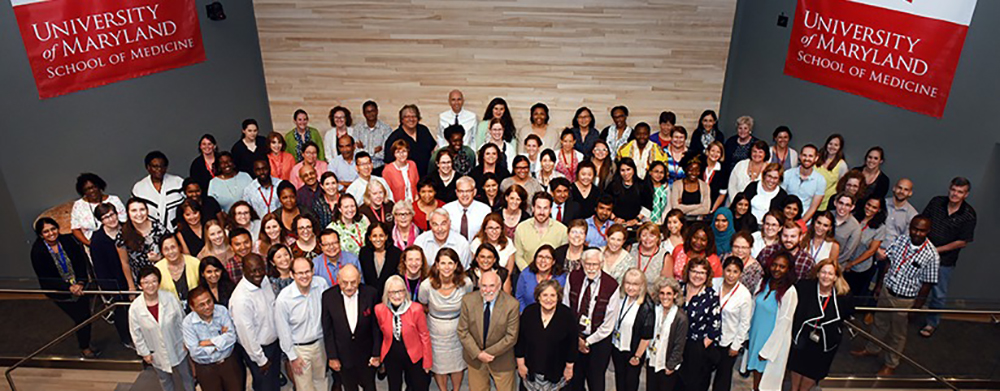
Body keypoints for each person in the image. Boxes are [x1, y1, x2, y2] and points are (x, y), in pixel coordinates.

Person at [850, 215, 938, 376]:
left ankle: (891, 363)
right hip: (886, 290)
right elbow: (888, 262)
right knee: (879, 323)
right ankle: (872, 348)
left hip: (904, 299)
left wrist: (916, 308)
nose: (917, 233)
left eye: (922, 230)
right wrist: (879, 285)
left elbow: (927, 284)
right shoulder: (902, 240)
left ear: (928, 231)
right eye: (914, 228)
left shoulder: (931, 255)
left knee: (897, 334)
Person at [31, 218, 98, 358]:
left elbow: (81, 263)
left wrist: (80, 283)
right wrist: (69, 287)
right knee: (81, 316)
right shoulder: (37, 251)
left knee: (85, 315)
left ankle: (85, 343)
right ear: (40, 235)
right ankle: (85, 347)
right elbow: (46, 278)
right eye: (46, 231)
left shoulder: (68, 241)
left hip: (79, 286)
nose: (51, 233)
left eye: (53, 229)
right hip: (59, 291)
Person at [921, 177, 976, 338]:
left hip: (945, 260)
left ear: (966, 194)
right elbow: (923, 222)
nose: (955, 194)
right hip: (924, 252)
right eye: (953, 190)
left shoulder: (969, 215)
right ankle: (906, 315)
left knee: (939, 294)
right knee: (913, 286)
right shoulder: (936, 202)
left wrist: (936, 250)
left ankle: (931, 323)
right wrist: (925, 248)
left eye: (960, 192)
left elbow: (962, 242)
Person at [788, 259, 854, 391]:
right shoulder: (804, 287)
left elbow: (847, 314)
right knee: (797, 365)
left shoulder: (843, 296)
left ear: (836, 277)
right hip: (803, 336)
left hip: (825, 341)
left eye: (830, 274)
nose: (826, 276)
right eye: (823, 272)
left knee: (814, 370)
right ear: (817, 274)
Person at [129, 266, 196, 391]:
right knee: (165, 380)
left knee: (186, 376)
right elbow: (136, 333)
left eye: (154, 281)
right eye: (146, 282)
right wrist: (145, 353)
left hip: (178, 346)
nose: (151, 285)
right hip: (156, 352)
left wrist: (186, 341)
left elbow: (181, 321)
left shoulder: (169, 298)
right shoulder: (135, 308)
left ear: (159, 283)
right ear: (140, 285)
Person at [563, 249, 620, 391]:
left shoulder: (612, 285)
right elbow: (566, 308)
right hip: (575, 338)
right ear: (582, 263)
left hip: (599, 342)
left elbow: (609, 324)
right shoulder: (573, 277)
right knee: (574, 380)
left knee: (596, 382)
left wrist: (587, 341)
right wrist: (576, 338)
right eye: (588, 264)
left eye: (595, 264)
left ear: (601, 264)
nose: (591, 268)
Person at [417, 249, 473, 391]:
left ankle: (456, 389)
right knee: (439, 365)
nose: (446, 267)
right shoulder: (426, 285)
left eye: (450, 263)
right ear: (436, 265)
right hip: (435, 330)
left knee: (457, 364)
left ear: (456, 265)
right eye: (443, 263)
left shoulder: (466, 283)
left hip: (458, 330)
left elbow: (470, 302)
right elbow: (423, 304)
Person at [457, 270, 520, 391]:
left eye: (492, 285)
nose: (487, 290)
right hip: (476, 359)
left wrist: (487, 353)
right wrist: (479, 354)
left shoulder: (512, 304)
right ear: (479, 285)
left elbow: (511, 337)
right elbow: (462, 331)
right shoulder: (468, 301)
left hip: (502, 360)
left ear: (499, 286)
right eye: (484, 286)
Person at [321, 264, 381, 391]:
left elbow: (376, 327)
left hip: (367, 355)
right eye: (344, 283)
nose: (349, 287)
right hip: (343, 356)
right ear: (338, 279)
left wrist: (376, 353)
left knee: (370, 386)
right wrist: (332, 357)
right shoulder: (328, 297)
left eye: (353, 282)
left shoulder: (371, 294)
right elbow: (328, 330)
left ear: (359, 279)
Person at [274, 257, 330, 391]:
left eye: (307, 272)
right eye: (299, 273)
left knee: (322, 380)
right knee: (304, 387)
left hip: (320, 344)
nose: (304, 276)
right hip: (300, 349)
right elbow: (283, 331)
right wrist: (292, 357)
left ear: (313, 271)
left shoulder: (321, 284)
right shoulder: (284, 298)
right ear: (292, 275)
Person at [745, 251, 798, 391]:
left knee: (766, 384)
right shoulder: (764, 283)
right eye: (774, 265)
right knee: (756, 378)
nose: (777, 269)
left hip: (771, 344)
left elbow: (783, 325)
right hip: (756, 338)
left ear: (788, 269)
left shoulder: (790, 292)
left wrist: (767, 351)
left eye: (782, 266)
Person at [230, 254, 281, 391]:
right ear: (244, 270)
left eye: (260, 269)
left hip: (273, 344)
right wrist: (261, 360)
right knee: (264, 386)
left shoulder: (264, 281)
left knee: (274, 383)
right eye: (253, 270)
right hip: (259, 351)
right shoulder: (241, 299)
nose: (258, 274)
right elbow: (246, 335)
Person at [516, 279, 577, 390]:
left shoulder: (567, 315)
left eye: (552, 295)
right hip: (531, 371)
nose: (548, 299)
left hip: (557, 373)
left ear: (558, 297)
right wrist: (520, 364)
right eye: (544, 295)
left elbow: (572, 344)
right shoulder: (529, 312)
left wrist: (569, 368)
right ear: (538, 297)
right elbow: (520, 340)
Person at [376, 275, 433, 391]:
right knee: (394, 386)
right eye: (392, 292)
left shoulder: (416, 309)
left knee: (419, 386)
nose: (397, 296)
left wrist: (427, 362)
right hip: (391, 355)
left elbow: (424, 335)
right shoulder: (379, 309)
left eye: (400, 291)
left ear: (405, 292)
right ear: (387, 293)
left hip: (414, 355)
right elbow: (380, 333)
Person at [89, 204, 134, 346]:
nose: (111, 219)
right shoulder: (97, 239)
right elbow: (99, 268)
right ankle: (126, 338)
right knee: (122, 311)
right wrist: (110, 289)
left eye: (112, 214)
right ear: (100, 220)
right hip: (115, 281)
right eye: (106, 217)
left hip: (134, 276)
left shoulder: (128, 229)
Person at [182, 286, 243, 391]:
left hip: (228, 362)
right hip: (206, 368)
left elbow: (232, 337)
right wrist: (220, 341)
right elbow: (195, 351)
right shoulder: (188, 323)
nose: (207, 307)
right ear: (192, 308)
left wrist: (208, 342)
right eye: (201, 305)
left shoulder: (222, 311)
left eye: (209, 301)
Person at [678, 257, 722, 391]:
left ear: (707, 275)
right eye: (694, 271)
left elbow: (714, 328)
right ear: (688, 272)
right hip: (676, 345)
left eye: (702, 272)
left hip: (697, 349)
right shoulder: (678, 289)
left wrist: (699, 349)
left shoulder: (711, 297)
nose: (697, 276)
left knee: (695, 385)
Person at [710, 256, 753, 391]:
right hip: (709, 337)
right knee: (703, 371)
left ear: (740, 273)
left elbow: (744, 323)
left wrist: (736, 345)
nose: (731, 275)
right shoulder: (714, 283)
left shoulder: (744, 295)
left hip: (728, 341)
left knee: (723, 377)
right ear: (723, 270)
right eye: (728, 270)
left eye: (735, 272)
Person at [610, 269, 654, 391]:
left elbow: (646, 336)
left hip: (633, 352)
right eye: (628, 283)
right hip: (617, 347)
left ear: (642, 286)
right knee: (620, 379)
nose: (630, 287)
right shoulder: (620, 297)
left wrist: (637, 356)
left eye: (635, 284)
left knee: (630, 383)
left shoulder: (646, 306)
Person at [646, 277, 688, 391]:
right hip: (652, 359)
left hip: (667, 364)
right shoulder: (655, 310)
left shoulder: (681, 317)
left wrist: (671, 365)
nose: (665, 297)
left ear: (675, 295)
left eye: (669, 293)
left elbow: (679, 345)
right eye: (662, 293)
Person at [117, 198, 168, 290]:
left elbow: (172, 250)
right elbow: (125, 263)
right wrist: (131, 286)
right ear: (128, 213)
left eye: (142, 209)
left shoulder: (159, 228)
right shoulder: (122, 235)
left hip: (163, 277)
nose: (139, 214)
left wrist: (159, 258)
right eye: (134, 210)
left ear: (147, 211)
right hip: (141, 282)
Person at [513, 192, 568, 273]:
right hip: (527, 275)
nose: (541, 212)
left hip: (552, 277)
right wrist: (529, 274)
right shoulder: (521, 228)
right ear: (533, 208)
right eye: (539, 207)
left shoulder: (562, 230)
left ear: (550, 210)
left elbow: (562, 258)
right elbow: (518, 257)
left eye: (545, 208)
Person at [844, 197, 886, 301]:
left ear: (879, 210)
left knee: (852, 294)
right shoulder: (853, 217)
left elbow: (871, 251)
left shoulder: (880, 228)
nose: (870, 209)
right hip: (843, 261)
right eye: (868, 205)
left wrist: (852, 264)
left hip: (860, 267)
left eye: (874, 207)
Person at [132, 151, 185, 230]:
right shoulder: (139, 188)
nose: (159, 169)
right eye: (155, 166)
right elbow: (134, 211)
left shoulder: (178, 182)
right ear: (148, 167)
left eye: (162, 166)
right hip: (150, 231)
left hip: (178, 229)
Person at [71, 173, 126, 245]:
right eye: (87, 189)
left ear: (99, 186)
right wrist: (90, 244)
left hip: (120, 241)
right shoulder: (78, 205)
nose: (91, 191)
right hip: (93, 244)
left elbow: (125, 221)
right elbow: (75, 229)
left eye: (94, 187)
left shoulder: (114, 200)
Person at [384, 104, 437, 176]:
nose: (411, 119)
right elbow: (388, 164)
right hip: (406, 178)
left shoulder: (423, 130)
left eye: (414, 116)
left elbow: (433, 150)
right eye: (407, 117)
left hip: (426, 176)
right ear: (402, 120)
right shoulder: (395, 137)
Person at [782, 144, 826, 223]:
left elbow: (814, 207)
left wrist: (800, 224)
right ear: (800, 156)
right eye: (804, 155)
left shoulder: (820, 180)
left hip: (805, 221)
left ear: (816, 158)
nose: (807, 158)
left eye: (810, 156)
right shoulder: (788, 174)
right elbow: (781, 198)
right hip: (784, 218)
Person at [516, 244, 566, 311]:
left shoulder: (560, 278)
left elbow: (562, 301)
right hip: (527, 314)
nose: (543, 260)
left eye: (548, 258)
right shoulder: (525, 274)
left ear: (553, 261)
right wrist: (524, 314)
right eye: (540, 256)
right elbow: (519, 297)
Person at [470, 214, 517, 283]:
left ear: (501, 229)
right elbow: (475, 267)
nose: (494, 231)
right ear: (485, 229)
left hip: (502, 282)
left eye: (497, 228)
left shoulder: (508, 243)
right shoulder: (476, 243)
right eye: (490, 228)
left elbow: (508, 272)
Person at [359, 222, 402, 298]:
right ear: (369, 237)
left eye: (381, 236)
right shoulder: (364, 253)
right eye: (374, 236)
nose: (378, 239)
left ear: (386, 236)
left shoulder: (396, 253)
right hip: (369, 297)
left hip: (391, 297)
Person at [154, 233, 200, 303]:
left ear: (179, 247)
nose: (171, 252)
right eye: (166, 249)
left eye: (173, 247)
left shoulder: (195, 263)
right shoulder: (157, 269)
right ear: (162, 252)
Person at [444, 176, 492, 240]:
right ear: (456, 192)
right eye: (461, 191)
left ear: (474, 192)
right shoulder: (446, 210)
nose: (464, 195)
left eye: (468, 191)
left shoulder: (485, 210)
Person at [351, 100, 394, 169]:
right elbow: (356, 152)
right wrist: (373, 151)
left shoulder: (386, 129)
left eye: (373, 111)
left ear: (377, 111)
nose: (371, 114)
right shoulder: (357, 129)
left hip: (380, 167)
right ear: (364, 113)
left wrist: (363, 149)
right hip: (361, 168)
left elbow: (384, 154)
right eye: (368, 112)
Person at [628, 221, 670, 291]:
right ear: (639, 237)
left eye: (652, 236)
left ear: (657, 238)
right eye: (644, 235)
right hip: (630, 292)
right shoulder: (630, 249)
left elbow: (667, 284)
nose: (647, 239)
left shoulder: (665, 256)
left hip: (652, 297)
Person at [727, 140, 769, 204]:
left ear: (765, 154)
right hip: (736, 204)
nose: (757, 154)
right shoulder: (741, 165)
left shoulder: (769, 169)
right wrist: (737, 203)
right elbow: (732, 185)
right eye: (754, 151)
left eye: (760, 152)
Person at [605, 158, 644, 227]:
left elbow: (647, 205)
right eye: (622, 170)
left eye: (628, 169)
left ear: (633, 170)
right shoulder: (613, 185)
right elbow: (605, 203)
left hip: (636, 225)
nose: (626, 173)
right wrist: (614, 218)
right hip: (615, 224)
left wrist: (636, 220)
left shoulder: (641, 185)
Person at [831, 193, 863, 269]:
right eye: (841, 203)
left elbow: (847, 253)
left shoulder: (855, 228)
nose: (843, 207)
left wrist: (830, 263)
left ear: (852, 207)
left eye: (847, 205)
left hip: (836, 266)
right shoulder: (828, 215)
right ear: (835, 203)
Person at [702, 141, 729, 213]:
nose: (715, 154)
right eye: (712, 151)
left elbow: (722, 194)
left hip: (713, 206)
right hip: (696, 205)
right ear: (707, 151)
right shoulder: (700, 165)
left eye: (718, 152)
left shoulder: (723, 171)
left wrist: (712, 210)